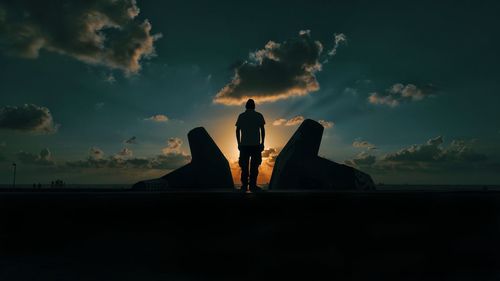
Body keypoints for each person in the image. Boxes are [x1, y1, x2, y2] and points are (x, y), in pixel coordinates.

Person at [236, 99, 265, 192]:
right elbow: (262, 130)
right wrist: (262, 143)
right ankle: (252, 185)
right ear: (254, 106)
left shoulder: (241, 116)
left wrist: (239, 143)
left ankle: (244, 186)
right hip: (256, 145)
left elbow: (237, 130)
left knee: (244, 167)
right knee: (254, 166)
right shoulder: (259, 115)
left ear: (246, 106)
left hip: (244, 145)